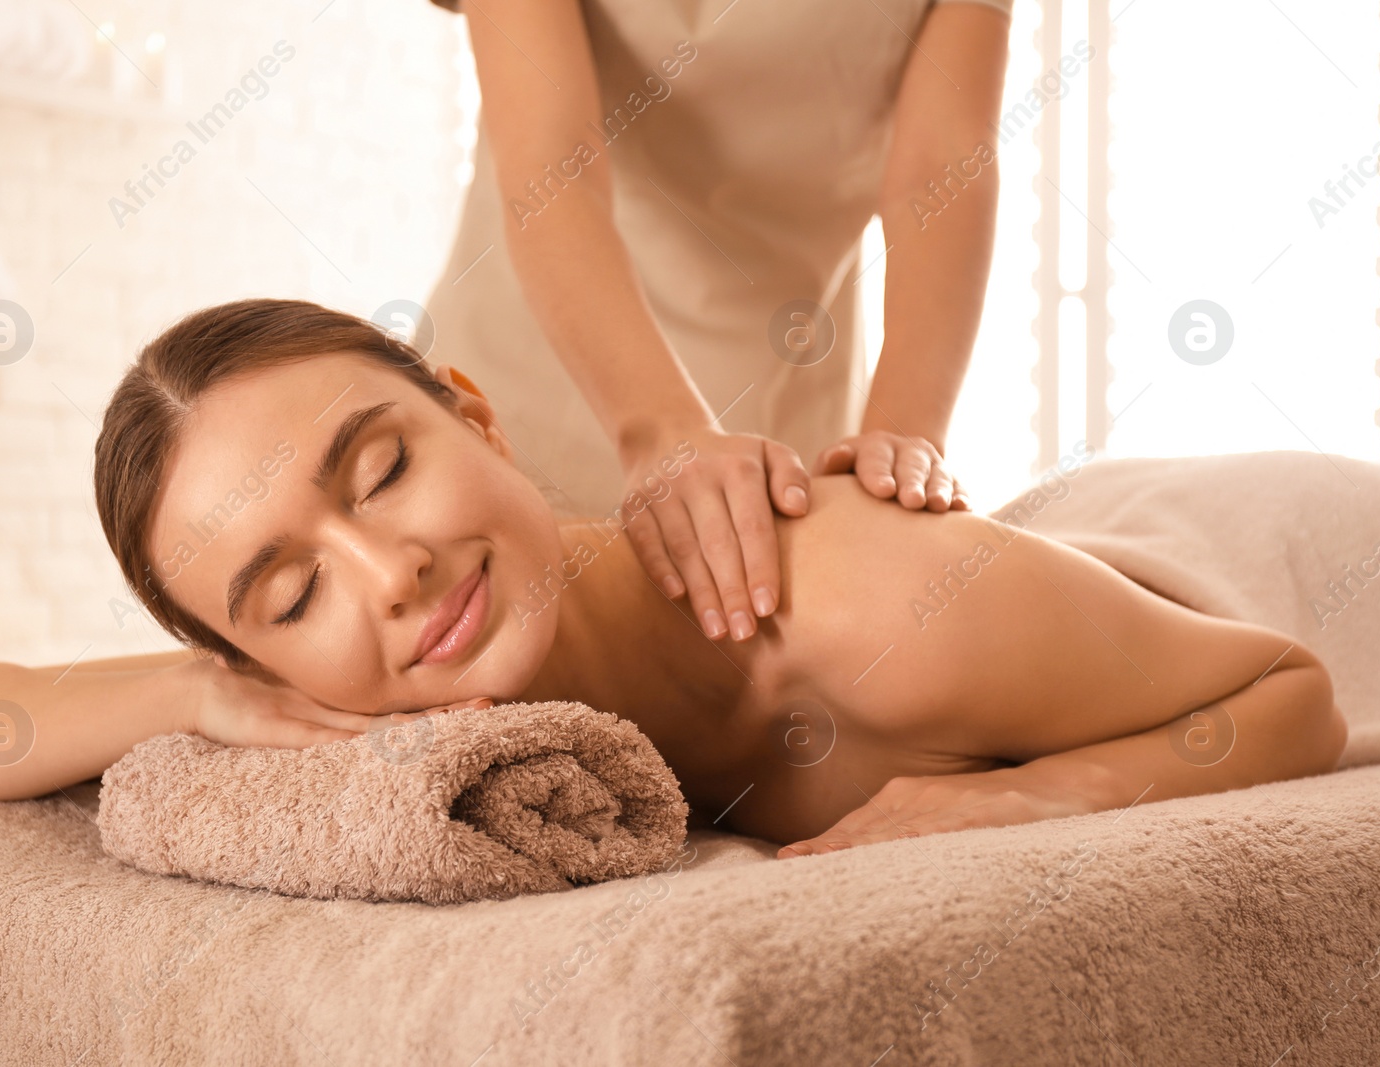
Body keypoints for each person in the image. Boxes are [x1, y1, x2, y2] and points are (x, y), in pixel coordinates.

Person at [0, 302, 1347, 857]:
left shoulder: (868, 605)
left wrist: (1020, 800)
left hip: (1267, 544)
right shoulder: (303, 711)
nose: (394, 566)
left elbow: (1288, 694)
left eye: (383, 469)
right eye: (289, 597)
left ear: (476, 414)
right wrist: (193, 688)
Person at [415, 0, 1010, 646]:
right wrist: (661, 428)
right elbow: (556, 168)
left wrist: (900, 441)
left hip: (774, 441)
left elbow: (944, 164)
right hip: (522, 392)